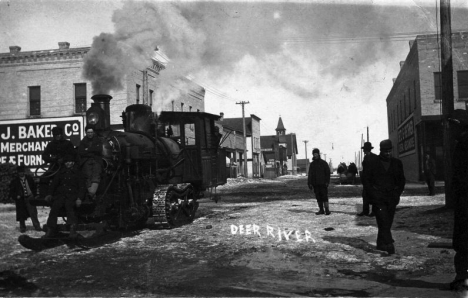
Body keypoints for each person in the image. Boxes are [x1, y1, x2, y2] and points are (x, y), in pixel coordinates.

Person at [362, 139, 405, 255]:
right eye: (385, 151)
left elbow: (401, 181)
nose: (388, 153)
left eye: (389, 151)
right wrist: (372, 195)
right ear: (381, 151)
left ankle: (380, 243)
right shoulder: (373, 162)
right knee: (383, 220)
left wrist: (397, 194)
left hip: (391, 198)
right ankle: (388, 244)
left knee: (388, 222)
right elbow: (366, 180)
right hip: (378, 198)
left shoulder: (397, 163)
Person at [448, 109, 468, 292]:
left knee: (463, 241)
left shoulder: (464, 144)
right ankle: (461, 277)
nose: (449, 130)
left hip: (465, 201)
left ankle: (462, 278)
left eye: (451, 126)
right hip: (463, 201)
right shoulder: (460, 143)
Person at [43, 154, 86, 238]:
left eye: (70, 162)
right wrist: (49, 194)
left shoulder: (78, 173)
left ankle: (72, 229)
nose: (68, 164)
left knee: (69, 207)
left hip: (72, 196)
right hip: (61, 195)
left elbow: (82, 187)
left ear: (73, 162)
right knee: (55, 207)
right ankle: (50, 229)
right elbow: (54, 185)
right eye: (66, 162)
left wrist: (79, 198)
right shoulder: (60, 173)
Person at [9, 165, 42, 232]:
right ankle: (22, 227)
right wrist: (16, 196)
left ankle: (37, 226)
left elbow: (34, 187)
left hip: (30, 197)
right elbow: (11, 191)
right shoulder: (15, 181)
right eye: (20, 172)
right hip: (21, 199)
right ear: (18, 173)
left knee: (33, 212)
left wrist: (34, 195)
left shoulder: (29, 178)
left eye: (22, 172)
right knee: (21, 214)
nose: (21, 173)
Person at [77, 124, 103, 199]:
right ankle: (91, 192)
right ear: (86, 133)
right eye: (88, 132)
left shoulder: (98, 140)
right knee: (87, 175)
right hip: (86, 161)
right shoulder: (83, 141)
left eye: (91, 132)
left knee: (96, 174)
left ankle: (92, 192)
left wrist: (88, 150)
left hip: (96, 160)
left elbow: (99, 150)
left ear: (93, 132)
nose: (90, 134)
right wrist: (92, 150)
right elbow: (81, 152)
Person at [307, 148, 331, 215]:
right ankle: (321, 210)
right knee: (318, 197)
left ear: (318, 154)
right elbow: (310, 174)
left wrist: (327, 182)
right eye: (314, 154)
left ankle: (327, 210)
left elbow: (327, 173)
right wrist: (309, 183)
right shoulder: (312, 164)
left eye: (316, 154)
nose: (315, 155)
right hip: (315, 184)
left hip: (323, 184)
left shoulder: (324, 163)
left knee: (324, 196)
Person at [357, 142, 377, 217]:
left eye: (364, 149)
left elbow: (376, 170)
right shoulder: (365, 157)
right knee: (365, 196)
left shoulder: (374, 157)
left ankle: (374, 212)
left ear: (367, 149)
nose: (363, 151)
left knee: (373, 196)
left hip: (372, 181)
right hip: (366, 181)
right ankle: (365, 211)